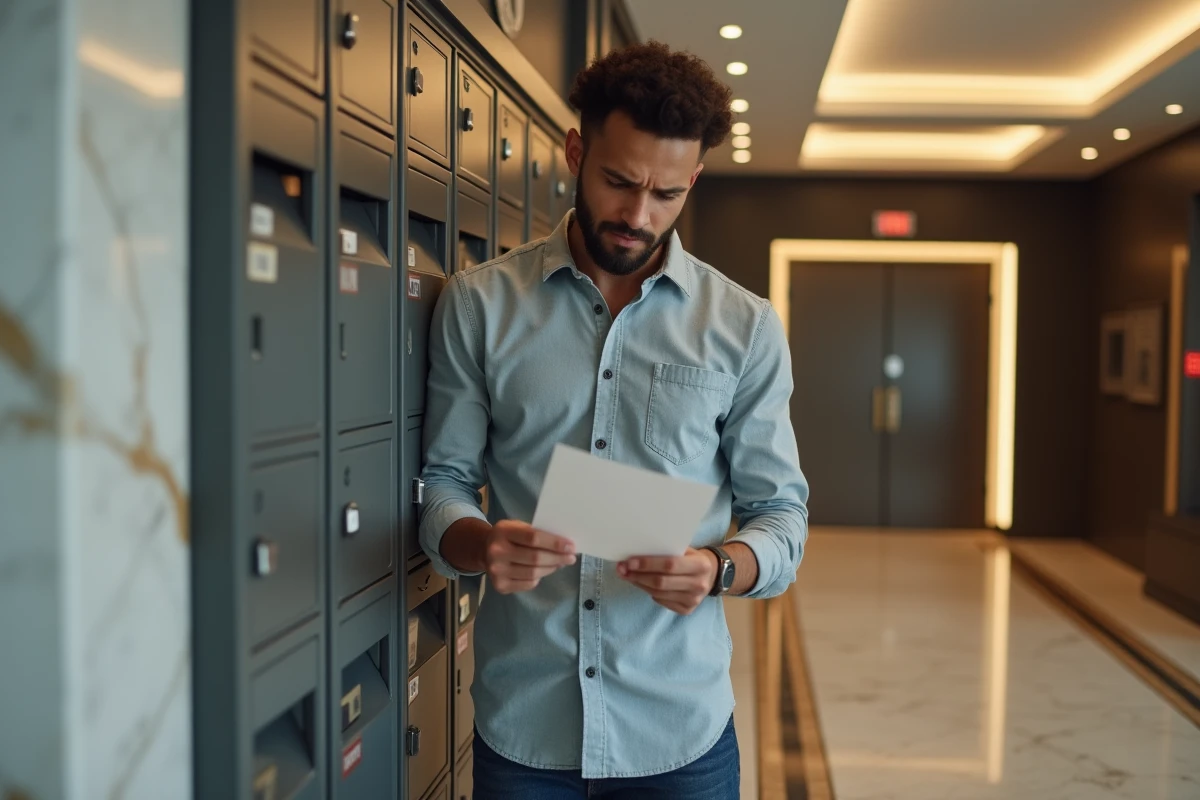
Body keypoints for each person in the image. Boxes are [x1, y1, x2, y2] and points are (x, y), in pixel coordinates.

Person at [418, 40, 809, 799]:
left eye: (667, 194)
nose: (637, 215)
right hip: (526, 730)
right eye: (619, 182)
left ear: (693, 181)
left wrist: (718, 567)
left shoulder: (745, 327)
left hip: (680, 739)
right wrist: (482, 542)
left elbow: (781, 516)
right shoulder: (480, 303)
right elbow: (444, 483)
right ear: (575, 153)